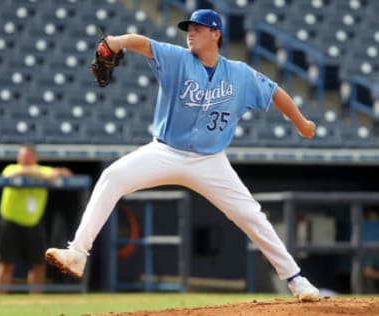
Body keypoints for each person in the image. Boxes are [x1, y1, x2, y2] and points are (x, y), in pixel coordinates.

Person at [46, 9, 320, 301]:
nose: (190, 32)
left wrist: (301, 123)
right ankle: (77, 252)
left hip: (210, 160)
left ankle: (296, 279)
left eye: (198, 28)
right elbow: (142, 43)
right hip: (165, 151)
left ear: (216, 34)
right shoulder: (177, 59)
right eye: (188, 28)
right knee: (112, 177)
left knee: (251, 215)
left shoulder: (239, 74)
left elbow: (275, 92)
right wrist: (115, 41)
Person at [0, 144, 73, 293]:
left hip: (33, 224)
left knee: (38, 264)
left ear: (35, 158)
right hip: (11, 223)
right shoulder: (12, 168)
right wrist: (38, 174)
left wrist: (58, 172)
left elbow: (67, 174)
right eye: (22, 156)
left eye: (28, 157)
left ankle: (36, 300)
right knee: (6, 263)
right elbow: (8, 175)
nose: (24, 160)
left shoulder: (44, 170)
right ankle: (0, 300)